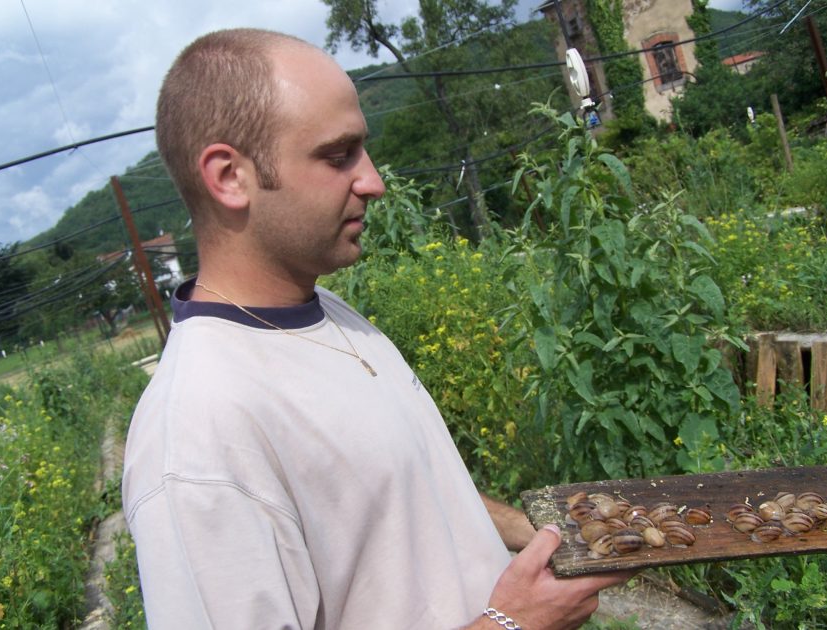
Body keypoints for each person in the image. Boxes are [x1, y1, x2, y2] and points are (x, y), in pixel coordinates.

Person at [122, 28, 632, 629]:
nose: (373, 181)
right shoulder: (199, 433)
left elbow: (395, 495)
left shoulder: (326, 312)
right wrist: (514, 623)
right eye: (338, 156)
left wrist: (534, 529)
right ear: (230, 176)